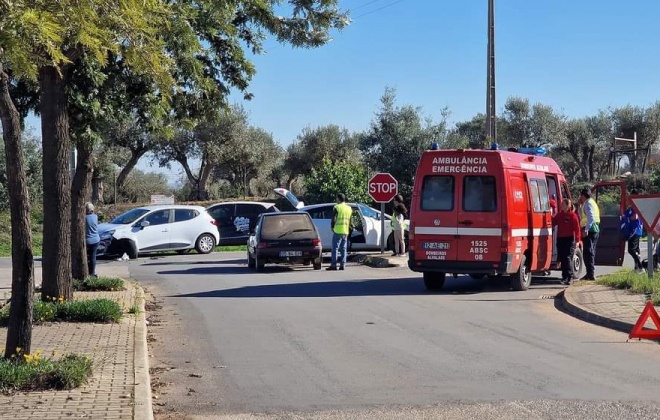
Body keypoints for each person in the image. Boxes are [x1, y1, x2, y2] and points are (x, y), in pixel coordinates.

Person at [553, 198, 581, 285]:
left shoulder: (572, 216)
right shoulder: (559, 215)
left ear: (568, 205)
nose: (561, 205)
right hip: (560, 239)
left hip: (569, 239)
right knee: (562, 258)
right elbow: (553, 222)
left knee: (567, 258)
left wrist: (577, 240)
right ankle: (564, 277)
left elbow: (577, 229)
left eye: (563, 204)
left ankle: (570, 277)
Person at [577, 188, 600, 280]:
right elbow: (582, 216)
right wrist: (579, 206)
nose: (580, 198)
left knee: (588, 252)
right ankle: (589, 273)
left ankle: (590, 274)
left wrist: (586, 229)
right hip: (593, 229)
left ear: (583, 196)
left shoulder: (588, 203)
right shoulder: (591, 202)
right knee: (589, 251)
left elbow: (590, 218)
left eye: (580, 196)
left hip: (590, 230)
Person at [326, 193, 353, 271]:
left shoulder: (337, 207)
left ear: (339, 199)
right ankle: (343, 265)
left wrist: (332, 227)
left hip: (337, 230)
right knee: (344, 249)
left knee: (335, 248)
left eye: (336, 198)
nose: (336, 200)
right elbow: (351, 221)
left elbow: (333, 218)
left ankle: (334, 265)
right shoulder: (349, 208)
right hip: (345, 230)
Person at [621, 189, 645, 274]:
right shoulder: (631, 207)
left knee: (631, 250)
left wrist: (627, 218)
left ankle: (641, 267)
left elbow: (635, 216)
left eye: (632, 197)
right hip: (635, 230)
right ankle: (637, 268)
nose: (629, 199)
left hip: (635, 230)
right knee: (636, 250)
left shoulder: (636, 206)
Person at [85, 202, 101, 278]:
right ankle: (92, 272)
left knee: (87, 257)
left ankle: (88, 273)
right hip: (96, 239)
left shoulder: (84, 218)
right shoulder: (95, 216)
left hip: (88, 240)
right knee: (92, 256)